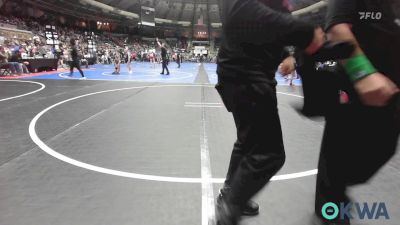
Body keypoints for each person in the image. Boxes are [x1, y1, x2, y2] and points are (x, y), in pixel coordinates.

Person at [215, 0, 325, 224]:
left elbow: (261, 28)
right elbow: (242, 13)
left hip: (243, 71)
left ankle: (230, 194)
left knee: (247, 142)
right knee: (269, 154)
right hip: (246, 74)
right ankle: (229, 210)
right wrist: (305, 32)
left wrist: (285, 53)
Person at [313, 1, 400, 225]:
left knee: (384, 148)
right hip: (354, 82)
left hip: (391, 87)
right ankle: (330, 208)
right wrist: (362, 73)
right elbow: (336, 28)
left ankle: (336, 187)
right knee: (338, 151)